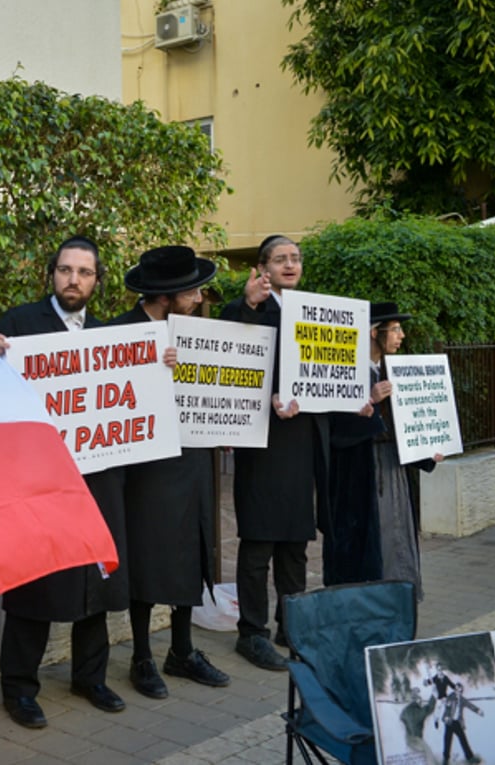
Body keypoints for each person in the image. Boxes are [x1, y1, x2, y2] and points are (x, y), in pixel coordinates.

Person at [0, 235, 129, 728]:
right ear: (52, 274)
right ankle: (19, 689)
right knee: (34, 583)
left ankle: (90, 677)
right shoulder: (18, 325)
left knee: (93, 578)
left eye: (84, 272)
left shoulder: (109, 336)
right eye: (65, 270)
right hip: (36, 479)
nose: (73, 280)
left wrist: (158, 368)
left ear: (96, 281)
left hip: (95, 476)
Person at [110, 246, 230, 699]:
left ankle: (181, 649)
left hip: (194, 456)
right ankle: (142, 656)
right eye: (193, 289)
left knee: (190, 552)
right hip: (147, 468)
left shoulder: (193, 330)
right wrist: (146, 366)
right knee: (149, 555)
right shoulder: (120, 332)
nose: (199, 296)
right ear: (167, 294)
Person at [219, 235, 328, 671]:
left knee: (295, 543)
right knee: (260, 540)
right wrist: (248, 304)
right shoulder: (248, 307)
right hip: (261, 442)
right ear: (262, 268)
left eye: (296, 258)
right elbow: (226, 350)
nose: (290, 264)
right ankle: (252, 632)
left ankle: (292, 624)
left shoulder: (314, 315)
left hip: (301, 440)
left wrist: (356, 396)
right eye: (280, 258)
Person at [324, 302, 442, 596]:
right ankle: (367, 604)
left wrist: (428, 449)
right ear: (375, 332)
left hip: (392, 467)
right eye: (395, 329)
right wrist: (370, 399)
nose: (401, 336)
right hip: (358, 471)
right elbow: (335, 430)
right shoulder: (343, 372)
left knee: (396, 535)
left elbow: (406, 420)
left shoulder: (393, 371)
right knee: (365, 542)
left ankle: (396, 601)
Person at [440, 682, 484, 764]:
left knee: (463, 740)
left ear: (461, 691)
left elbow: (469, 705)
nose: (458, 692)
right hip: (449, 722)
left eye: (460, 691)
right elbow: (446, 708)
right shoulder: (450, 697)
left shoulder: (462, 700)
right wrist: (445, 717)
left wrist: (478, 710)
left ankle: (470, 758)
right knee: (447, 741)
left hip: (457, 723)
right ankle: (445, 760)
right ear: (455, 690)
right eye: (457, 690)